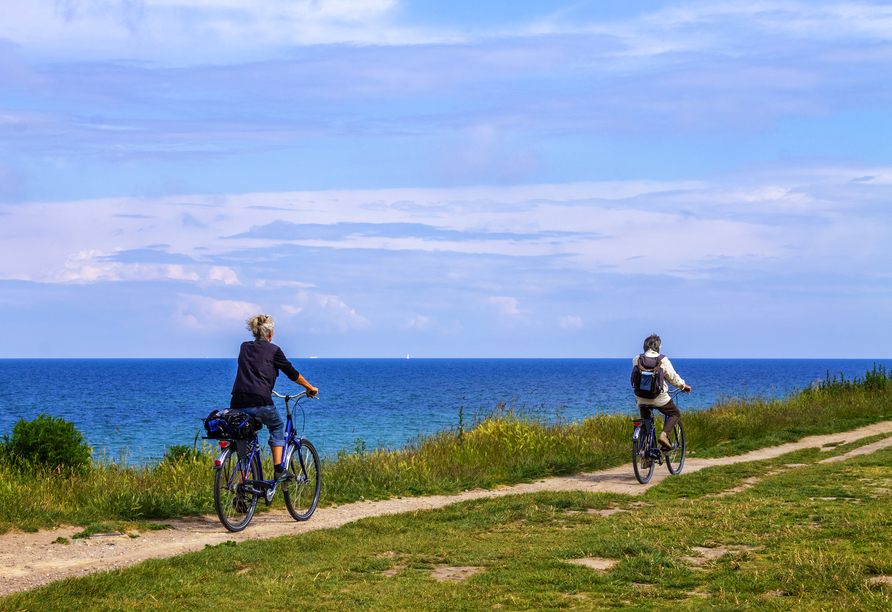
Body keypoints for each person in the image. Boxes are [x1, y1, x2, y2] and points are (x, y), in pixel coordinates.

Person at [231, 314, 318, 481]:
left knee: (245, 439)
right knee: (277, 426)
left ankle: (241, 489)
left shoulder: (243, 347)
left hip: (237, 402)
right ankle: (278, 469)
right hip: (260, 401)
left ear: (255, 331)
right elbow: (291, 372)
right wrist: (309, 387)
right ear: (270, 334)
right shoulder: (274, 350)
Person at [632, 334, 691, 462]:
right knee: (675, 413)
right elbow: (673, 378)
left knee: (646, 422)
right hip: (659, 397)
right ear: (658, 347)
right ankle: (664, 435)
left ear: (645, 346)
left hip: (641, 398)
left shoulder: (637, 359)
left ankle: (646, 459)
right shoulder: (662, 360)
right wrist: (683, 385)